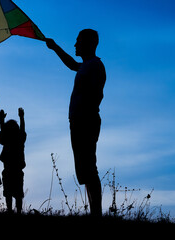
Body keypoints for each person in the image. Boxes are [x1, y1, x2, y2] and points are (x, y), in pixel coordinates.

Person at [45, 29, 106, 216]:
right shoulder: (87, 65)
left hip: (85, 120)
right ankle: (94, 212)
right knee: (85, 169)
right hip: (79, 121)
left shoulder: (95, 65)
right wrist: (55, 47)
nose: (75, 45)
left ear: (89, 43)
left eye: (78, 41)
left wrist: (84, 114)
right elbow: (72, 65)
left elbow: (96, 94)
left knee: (89, 167)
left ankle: (96, 212)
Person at [0, 108, 26, 214]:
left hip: (8, 170)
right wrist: (22, 117)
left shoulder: (7, 140)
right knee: (18, 193)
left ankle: (10, 210)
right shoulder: (20, 139)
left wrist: (1, 120)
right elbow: (22, 130)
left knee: (9, 192)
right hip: (17, 170)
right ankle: (18, 211)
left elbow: (3, 131)